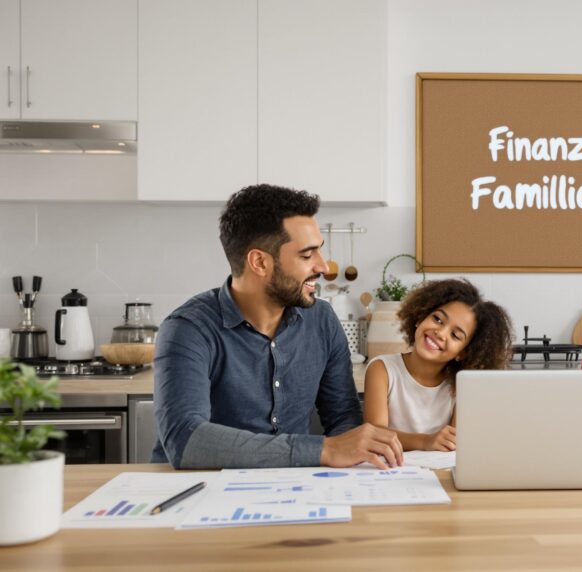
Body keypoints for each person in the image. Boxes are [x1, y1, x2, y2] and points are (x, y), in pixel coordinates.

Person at [152, 184, 403, 469]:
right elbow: (186, 440)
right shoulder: (188, 329)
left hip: (293, 491)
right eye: (307, 256)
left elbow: (342, 418)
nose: (322, 266)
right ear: (259, 262)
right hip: (200, 493)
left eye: (319, 251)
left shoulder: (322, 319)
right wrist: (323, 450)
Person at [363, 279, 513, 451]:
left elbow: (455, 446)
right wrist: (426, 441)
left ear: (462, 353)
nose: (440, 333)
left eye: (455, 335)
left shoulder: (460, 386)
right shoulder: (382, 369)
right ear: (420, 317)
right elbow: (375, 434)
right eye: (437, 319)